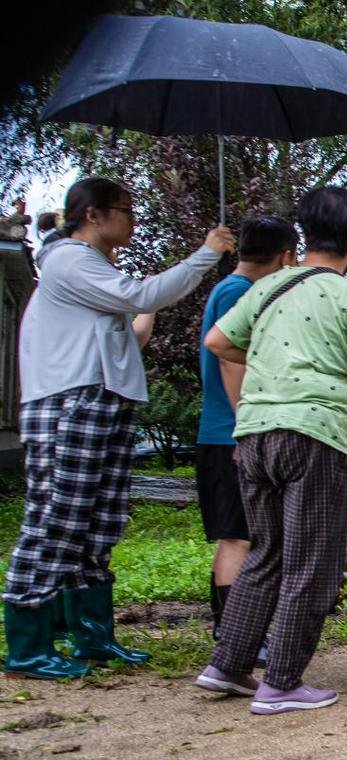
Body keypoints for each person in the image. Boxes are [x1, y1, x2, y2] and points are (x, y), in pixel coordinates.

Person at [4, 176, 233, 680]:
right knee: (57, 517)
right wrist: (205, 252)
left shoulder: (97, 269)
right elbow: (144, 294)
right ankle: (27, 645)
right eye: (125, 210)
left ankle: (92, 635)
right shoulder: (68, 259)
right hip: (71, 400)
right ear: (93, 215)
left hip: (104, 400)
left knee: (99, 521)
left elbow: (135, 319)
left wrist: (149, 301)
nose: (133, 220)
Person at [195, 187, 347, 714]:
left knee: (265, 552)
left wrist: (269, 363)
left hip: (255, 432)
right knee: (313, 562)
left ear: (304, 234)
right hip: (314, 436)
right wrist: (340, 371)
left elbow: (218, 342)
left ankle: (229, 664)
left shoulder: (267, 286)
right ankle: (281, 682)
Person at [195, 217, 298, 651]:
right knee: (237, 535)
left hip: (225, 431)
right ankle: (236, 634)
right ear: (286, 257)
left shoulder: (229, 290)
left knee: (243, 534)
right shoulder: (240, 293)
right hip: (228, 433)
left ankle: (239, 631)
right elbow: (230, 361)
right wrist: (246, 430)